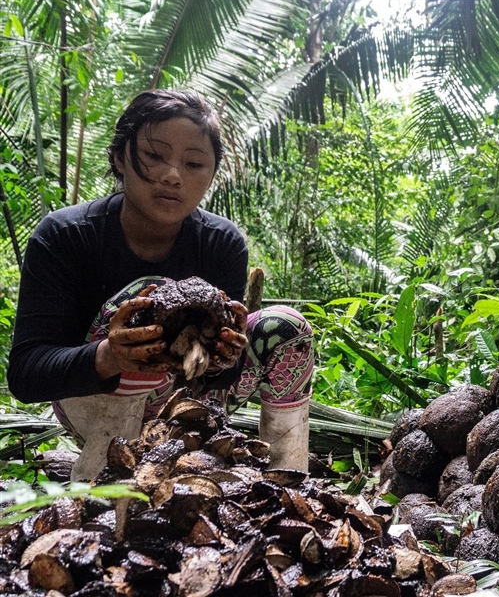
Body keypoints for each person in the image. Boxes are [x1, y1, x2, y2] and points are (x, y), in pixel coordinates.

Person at [8, 89, 314, 480]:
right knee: (152, 297)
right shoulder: (66, 235)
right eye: (154, 156)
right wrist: (110, 355)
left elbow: (218, 375)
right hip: (91, 404)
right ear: (120, 158)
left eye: (194, 163)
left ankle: (287, 479)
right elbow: (27, 373)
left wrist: (224, 356)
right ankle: (104, 477)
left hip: (187, 405)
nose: (172, 175)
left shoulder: (221, 242)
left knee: (286, 329)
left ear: (211, 174)